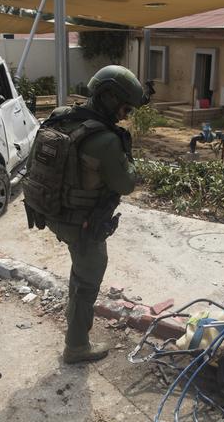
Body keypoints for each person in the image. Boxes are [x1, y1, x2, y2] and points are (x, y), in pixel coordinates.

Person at [23, 65, 144, 364]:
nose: (125, 115)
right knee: (87, 280)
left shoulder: (61, 115)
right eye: (125, 107)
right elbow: (126, 184)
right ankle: (76, 346)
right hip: (82, 223)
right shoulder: (106, 140)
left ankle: (76, 329)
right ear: (109, 97)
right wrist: (130, 163)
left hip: (50, 210)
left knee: (80, 274)